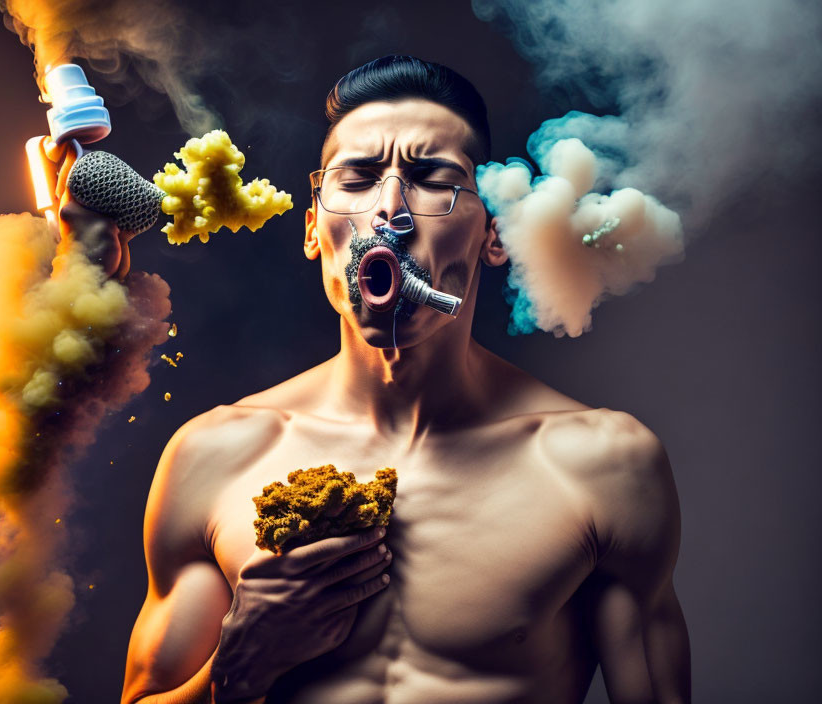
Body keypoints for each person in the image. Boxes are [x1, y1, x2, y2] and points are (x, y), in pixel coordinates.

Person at [117, 55, 691, 704]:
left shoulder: (602, 465)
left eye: (430, 180)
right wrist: (235, 673)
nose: (390, 212)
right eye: (357, 179)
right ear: (314, 229)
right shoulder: (215, 457)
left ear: (491, 234)